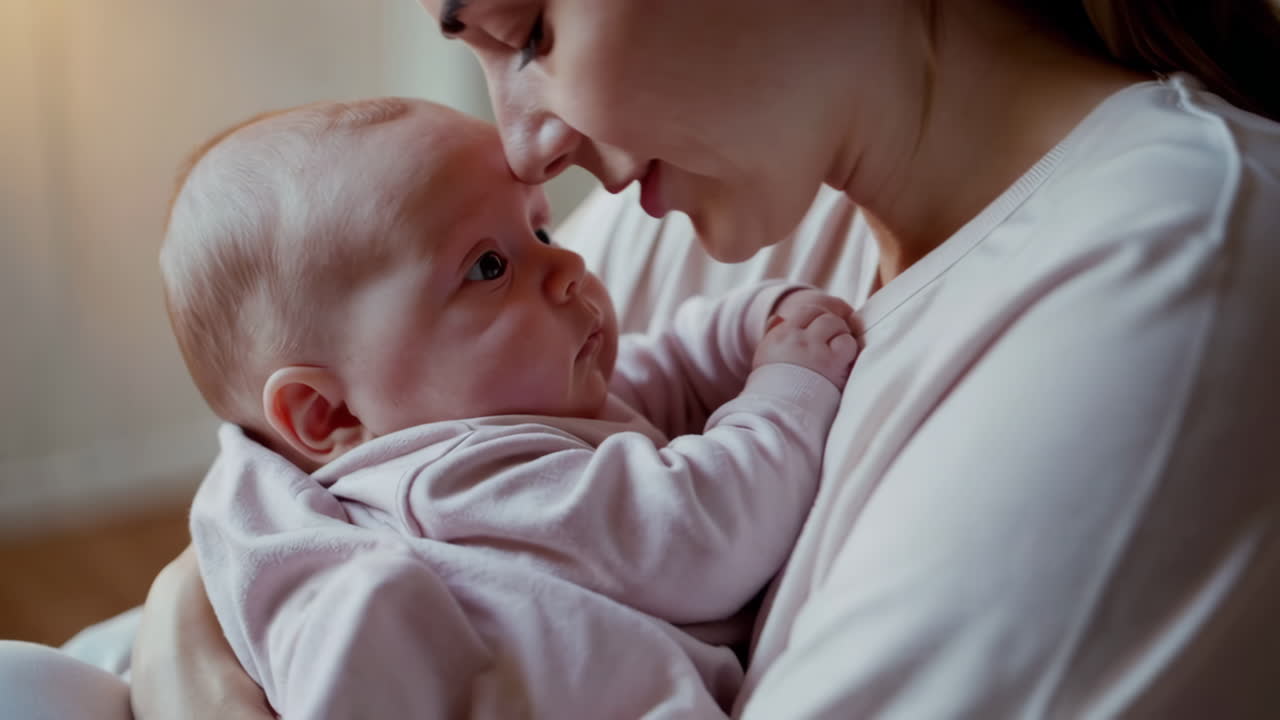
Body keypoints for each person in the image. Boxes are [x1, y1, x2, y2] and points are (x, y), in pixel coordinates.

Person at [2, 0, 1278, 717]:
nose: (522, 147)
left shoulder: (1165, 264)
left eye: (533, 28)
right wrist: (190, 623)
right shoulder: (733, 190)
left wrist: (196, 648)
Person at [163, 96, 856, 717]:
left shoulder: (514, 410)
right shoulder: (456, 479)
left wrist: (752, 327)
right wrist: (789, 386)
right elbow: (701, 532)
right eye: (488, 267)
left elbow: (657, 376)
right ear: (328, 416)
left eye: (541, 232)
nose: (567, 269)